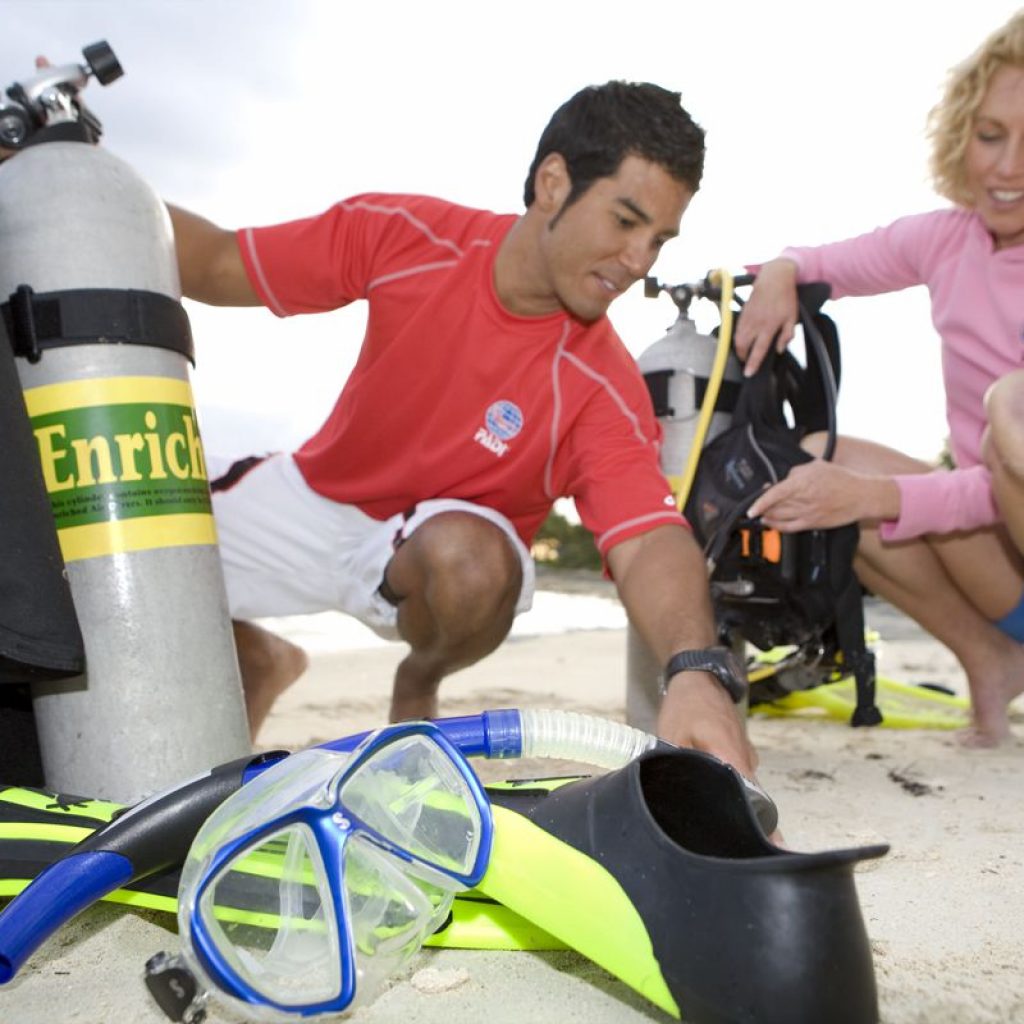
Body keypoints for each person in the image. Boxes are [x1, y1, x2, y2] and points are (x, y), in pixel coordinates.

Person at [170, 81, 758, 778]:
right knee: (114, 544)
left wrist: (695, 671)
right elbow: (216, 263)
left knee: (470, 561)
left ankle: (420, 677)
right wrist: (78, 181)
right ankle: (257, 659)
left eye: (658, 240)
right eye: (625, 221)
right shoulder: (408, 237)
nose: (639, 261)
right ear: (552, 183)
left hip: (441, 557)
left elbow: (649, 539)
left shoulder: (603, 385)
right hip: (316, 495)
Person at [734, 11, 1024, 747]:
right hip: (1000, 559)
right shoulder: (947, 239)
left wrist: (873, 496)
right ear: (961, 133)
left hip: (1011, 505)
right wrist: (781, 271)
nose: (1008, 167)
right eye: (991, 135)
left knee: (1010, 414)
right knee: (818, 460)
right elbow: (828, 261)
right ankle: (991, 662)